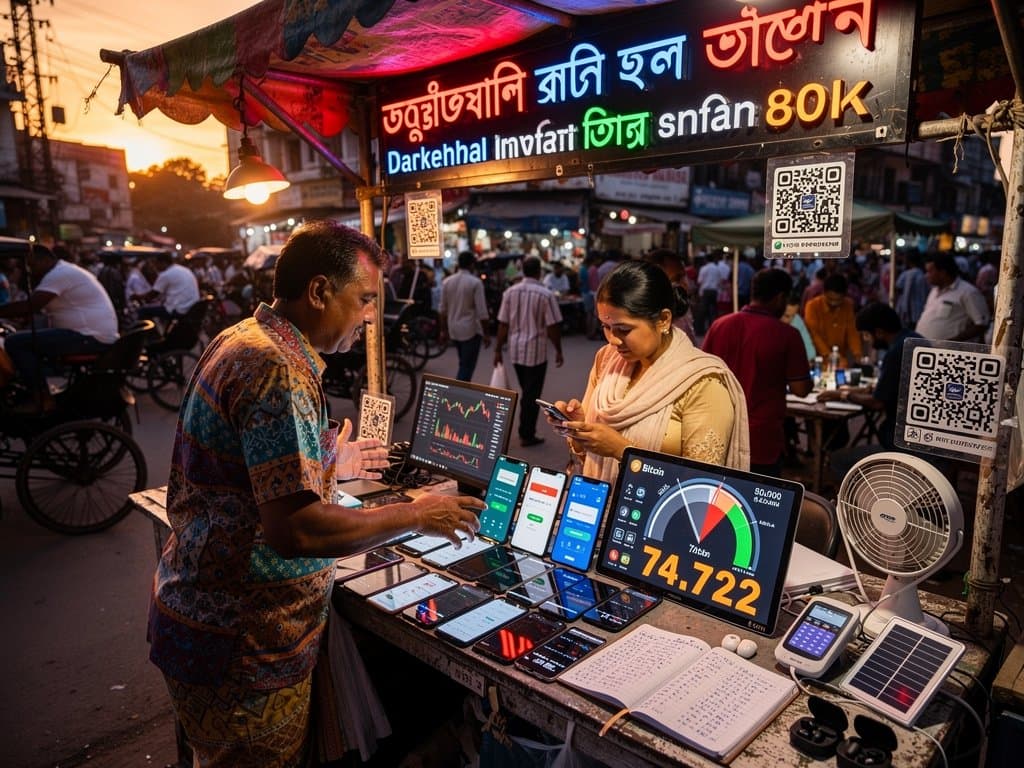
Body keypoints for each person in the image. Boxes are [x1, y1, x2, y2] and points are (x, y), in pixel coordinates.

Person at [147, 221, 483, 766]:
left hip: (208, 622)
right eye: (365, 300)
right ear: (321, 291)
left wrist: (327, 461)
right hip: (243, 647)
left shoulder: (244, 338)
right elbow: (297, 529)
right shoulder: (276, 367)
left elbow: (251, 474)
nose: (371, 318)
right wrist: (416, 513)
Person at [547, 260, 750, 484]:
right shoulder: (606, 359)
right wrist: (579, 429)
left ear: (663, 320)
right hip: (597, 504)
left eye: (624, 329)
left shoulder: (703, 383)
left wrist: (622, 451)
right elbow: (587, 459)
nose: (613, 340)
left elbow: (700, 485)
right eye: (606, 327)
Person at [703, 268, 812, 475]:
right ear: (781, 297)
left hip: (718, 432)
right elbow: (801, 389)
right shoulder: (787, 335)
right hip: (762, 440)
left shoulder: (720, 325)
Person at [817, 302, 924, 481]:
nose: (867, 340)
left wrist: (843, 394)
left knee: (837, 459)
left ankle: (857, 503)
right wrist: (861, 389)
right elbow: (891, 387)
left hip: (902, 445)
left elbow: (877, 403)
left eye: (867, 335)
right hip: (916, 439)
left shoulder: (896, 352)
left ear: (879, 332)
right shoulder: (913, 339)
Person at [0, 244, 119, 402]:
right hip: (91, 334)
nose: (30, 271)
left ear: (44, 260)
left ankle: (41, 396)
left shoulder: (59, 274)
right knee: (23, 337)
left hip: (88, 337)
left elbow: (32, 305)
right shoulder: (63, 271)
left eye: (32, 265)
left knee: (15, 342)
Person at [494, 256, 564, 447]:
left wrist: (498, 350)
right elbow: (553, 326)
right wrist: (558, 350)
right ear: (539, 271)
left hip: (516, 351)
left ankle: (526, 430)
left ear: (523, 271)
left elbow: (503, 324)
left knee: (527, 390)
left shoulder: (510, 292)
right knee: (531, 394)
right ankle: (526, 433)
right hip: (536, 352)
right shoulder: (545, 294)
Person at [438, 251, 491, 382]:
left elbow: (442, 310)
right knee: (466, 368)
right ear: (472, 264)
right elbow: (482, 312)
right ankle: (459, 395)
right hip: (470, 331)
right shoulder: (475, 283)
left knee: (463, 363)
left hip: (454, 329)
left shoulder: (447, 282)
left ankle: (461, 392)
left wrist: (443, 331)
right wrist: (487, 334)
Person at [915, 251, 990, 342]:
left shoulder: (968, 292)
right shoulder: (934, 290)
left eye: (930, 272)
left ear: (943, 272)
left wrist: (952, 342)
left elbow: (981, 324)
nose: (926, 276)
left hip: (947, 353)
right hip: (924, 349)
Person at [803, 273, 863, 366]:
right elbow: (813, 335)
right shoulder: (812, 306)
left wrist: (857, 354)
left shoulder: (848, 305)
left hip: (840, 359)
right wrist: (828, 355)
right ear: (824, 292)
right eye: (830, 299)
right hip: (817, 359)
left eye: (838, 300)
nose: (834, 303)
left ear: (844, 295)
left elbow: (852, 332)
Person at [140, 251, 200, 322]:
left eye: (156, 263)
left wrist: (136, 296)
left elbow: (152, 295)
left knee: (142, 311)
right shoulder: (184, 269)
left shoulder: (166, 274)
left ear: (163, 263)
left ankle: (146, 333)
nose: (155, 266)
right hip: (191, 307)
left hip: (179, 309)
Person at [894, 251, 929, 329]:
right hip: (921, 310)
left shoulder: (906, 274)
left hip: (908, 311)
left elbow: (898, 288)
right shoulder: (923, 274)